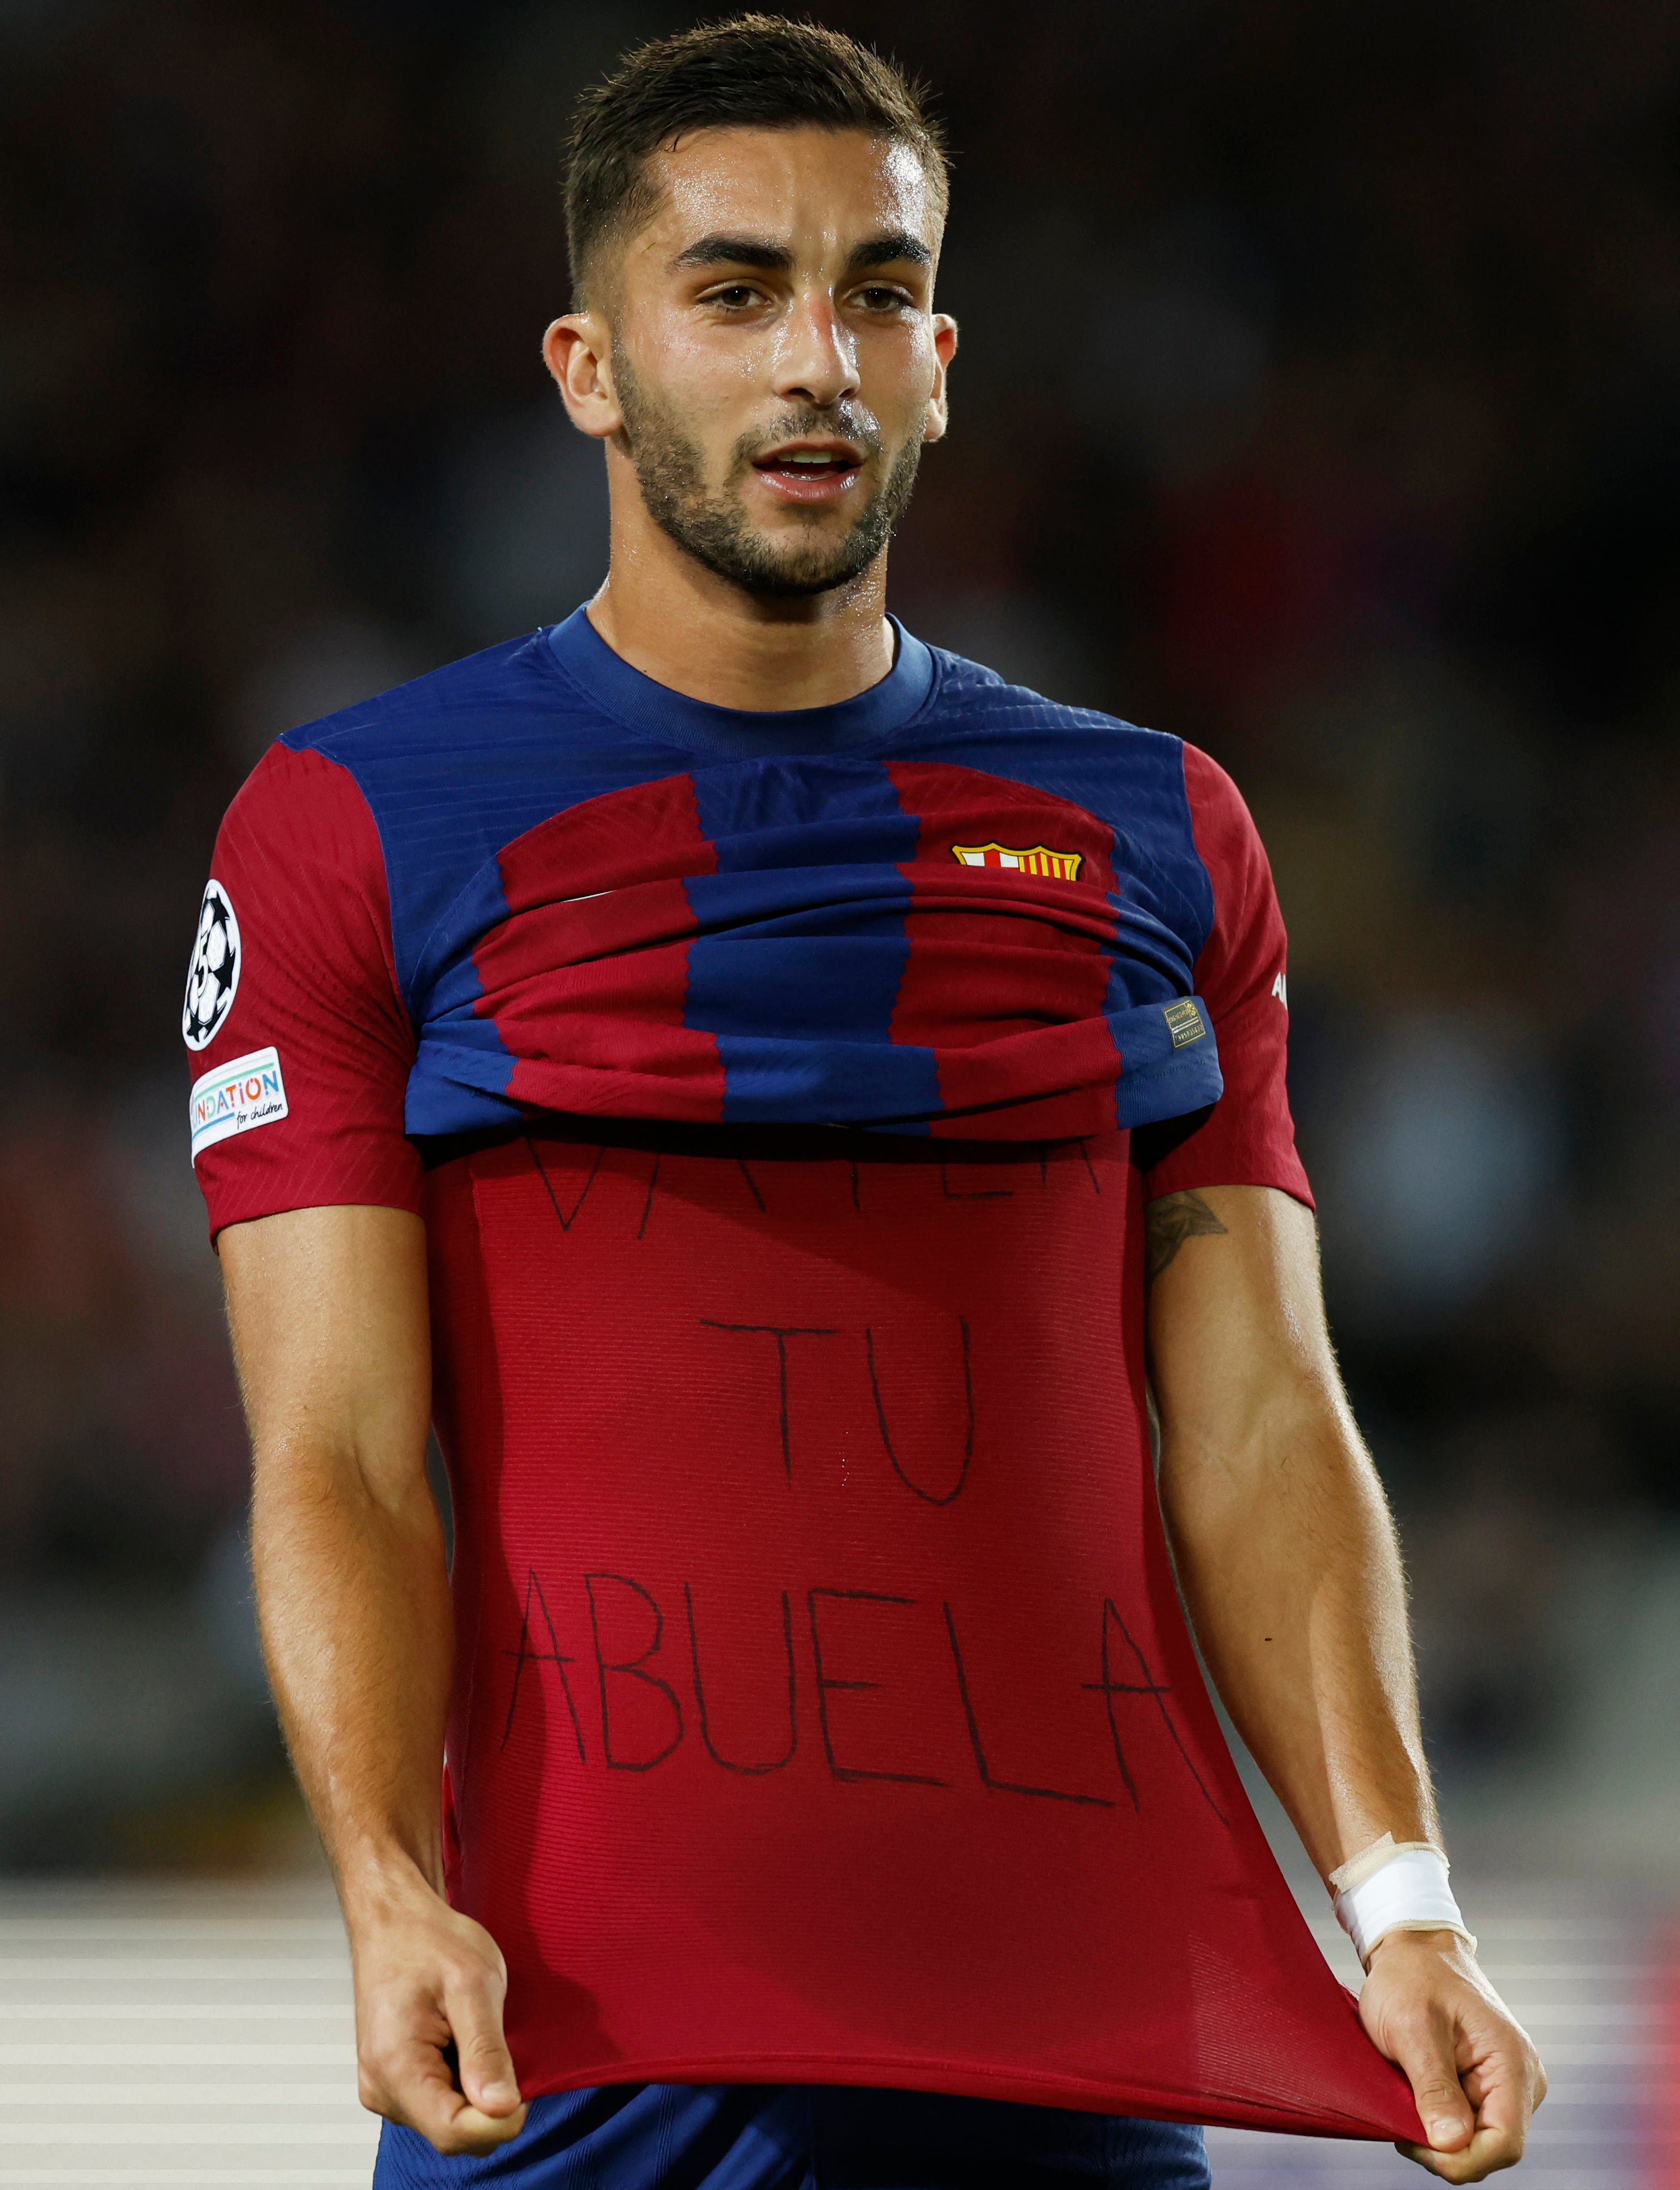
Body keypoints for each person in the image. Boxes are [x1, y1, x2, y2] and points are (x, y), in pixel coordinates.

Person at [186, 18, 1544, 2189]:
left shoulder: (1160, 834)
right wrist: (382, 1885)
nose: (817, 360)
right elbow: (338, 1448)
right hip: (577, 2061)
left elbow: (1263, 1417)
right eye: (734, 294)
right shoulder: (355, 823)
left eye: (878, 294)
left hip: (1068, 2056)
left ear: (939, 363)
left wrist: (1402, 1902)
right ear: (590, 368)